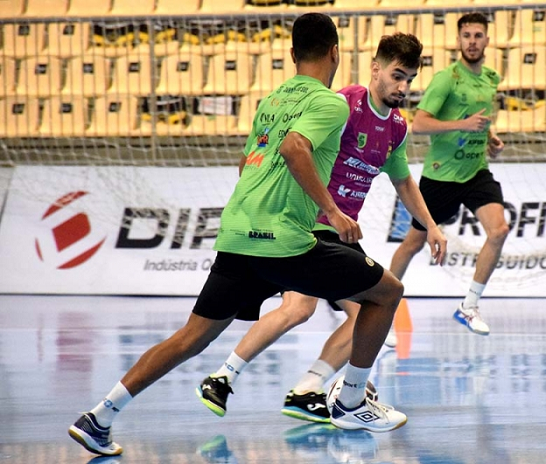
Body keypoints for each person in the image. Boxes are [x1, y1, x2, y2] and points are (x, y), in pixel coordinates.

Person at [68, 13, 408, 457]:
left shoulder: (270, 102)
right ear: (335, 53)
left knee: (190, 338)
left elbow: (248, 161)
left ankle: (100, 416)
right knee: (386, 292)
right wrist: (333, 212)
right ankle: (349, 401)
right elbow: (293, 149)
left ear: (291, 55)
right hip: (285, 238)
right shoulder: (332, 104)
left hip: (238, 234)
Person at [196, 33, 446, 424]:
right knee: (307, 306)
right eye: (397, 76)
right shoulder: (344, 103)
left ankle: (294, 387)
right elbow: (292, 148)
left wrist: (430, 225)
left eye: (410, 79)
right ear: (375, 68)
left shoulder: (396, 128)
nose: (404, 87)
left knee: (358, 308)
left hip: (340, 234)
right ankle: (277, 384)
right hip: (307, 224)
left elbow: (403, 181)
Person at [389, 12, 509, 336]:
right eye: (466, 35)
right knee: (412, 244)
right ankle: (382, 305)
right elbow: (420, 123)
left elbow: (479, 122)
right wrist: (462, 125)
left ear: (487, 40)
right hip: (442, 177)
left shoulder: (491, 79)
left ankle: (469, 305)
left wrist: (489, 139)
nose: (472, 41)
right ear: (458, 41)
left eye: (478, 35)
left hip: (475, 172)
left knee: (498, 231)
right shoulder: (446, 79)